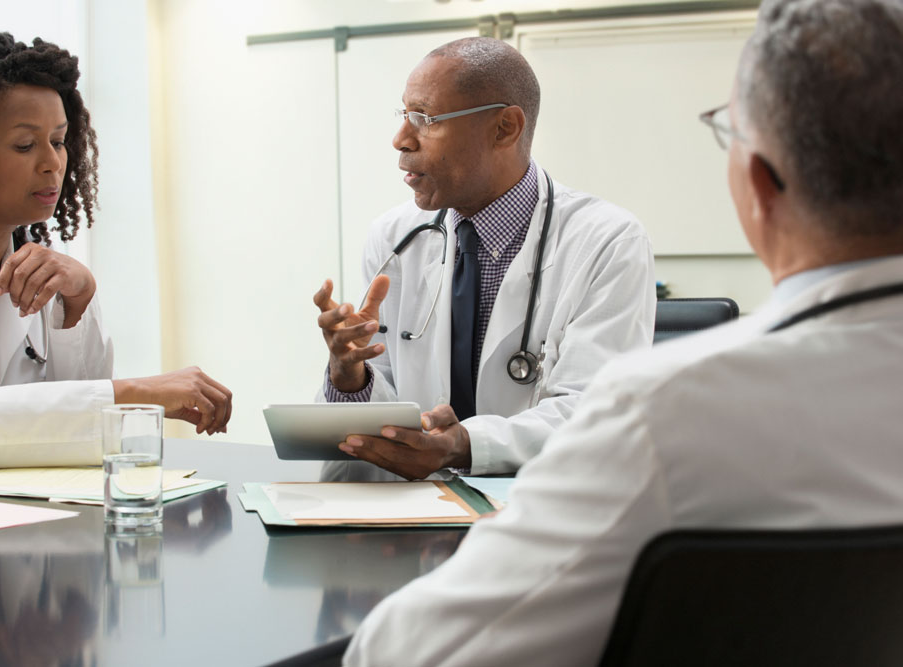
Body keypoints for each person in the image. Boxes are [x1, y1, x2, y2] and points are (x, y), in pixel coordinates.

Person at [344, 0, 903, 663]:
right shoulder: (397, 235)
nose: (403, 139)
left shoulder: (660, 415)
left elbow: (406, 652)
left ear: (758, 181)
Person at [313, 37, 655, 480]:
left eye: (425, 118)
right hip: (412, 523)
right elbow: (385, 410)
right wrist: (349, 377)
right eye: (404, 115)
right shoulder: (393, 238)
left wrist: (464, 445)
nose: (400, 140)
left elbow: (596, 413)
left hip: (539, 515)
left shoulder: (607, 241)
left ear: (504, 129)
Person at [0, 28, 232, 476]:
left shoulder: (41, 263)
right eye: (25, 144)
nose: (52, 162)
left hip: (4, 517)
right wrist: (140, 393)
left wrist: (79, 302)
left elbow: (75, 432)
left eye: (58, 141)